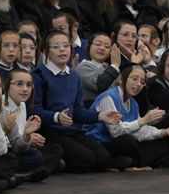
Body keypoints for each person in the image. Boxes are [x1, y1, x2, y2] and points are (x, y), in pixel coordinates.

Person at [31, 30, 128, 172]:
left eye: (65, 45)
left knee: (103, 158)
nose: (62, 49)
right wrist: (56, 117)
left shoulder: (74, 76)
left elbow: (77, 110)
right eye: (56, 46)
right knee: (87, 160)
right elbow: (34, 111)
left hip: (72, 131)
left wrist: (100, 116)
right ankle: (57, 161)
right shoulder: (38, 75)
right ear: (46, 52)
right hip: (51, 132)